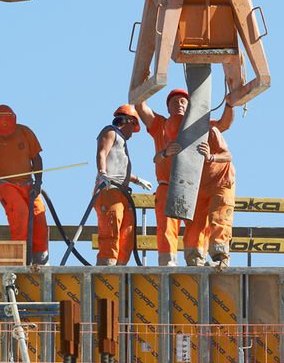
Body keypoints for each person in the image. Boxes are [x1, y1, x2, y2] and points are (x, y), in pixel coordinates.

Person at [136, 89, 233, 266]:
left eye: (183, 102)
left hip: (197, 185)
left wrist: (230, 103)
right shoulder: (161, 124)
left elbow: (224, 124)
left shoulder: (202, 127)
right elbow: (140, 106)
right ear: (167, 108)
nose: (179, 104)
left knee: (202, 224)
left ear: (190, 108)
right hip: (171, 185)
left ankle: (203, 260)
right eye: (174, 102)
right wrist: (146, 84)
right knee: (168, 226)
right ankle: (169, 264)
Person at [93, 105, 153, 266]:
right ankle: (107, 269)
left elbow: (119, 168)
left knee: (128, 234)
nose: (132, 135)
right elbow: (102, 153)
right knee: (110, 231)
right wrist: (103, 173)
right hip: (109, 190)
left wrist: (137, 179)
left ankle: (120, 269)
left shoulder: (121, 141)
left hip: (122, 193)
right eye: (134, 129)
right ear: (130, 122)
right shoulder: (110, 131)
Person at [0, 105, 49, 265]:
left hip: (29, 184)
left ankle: (40, 262)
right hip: (7, 184)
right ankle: (19, 262)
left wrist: (38, 182)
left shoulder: (25, 132)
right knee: (20, 217)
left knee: (40, 218)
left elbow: (36, 158)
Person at [183, 125, 236, 267]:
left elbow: (228, 155)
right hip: (199, 185)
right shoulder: (176, 134)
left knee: (219, 219)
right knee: (194, 224)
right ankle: (194, 262)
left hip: (221, 181)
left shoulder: (210, 131)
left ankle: (220, 260)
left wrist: (211, 157)